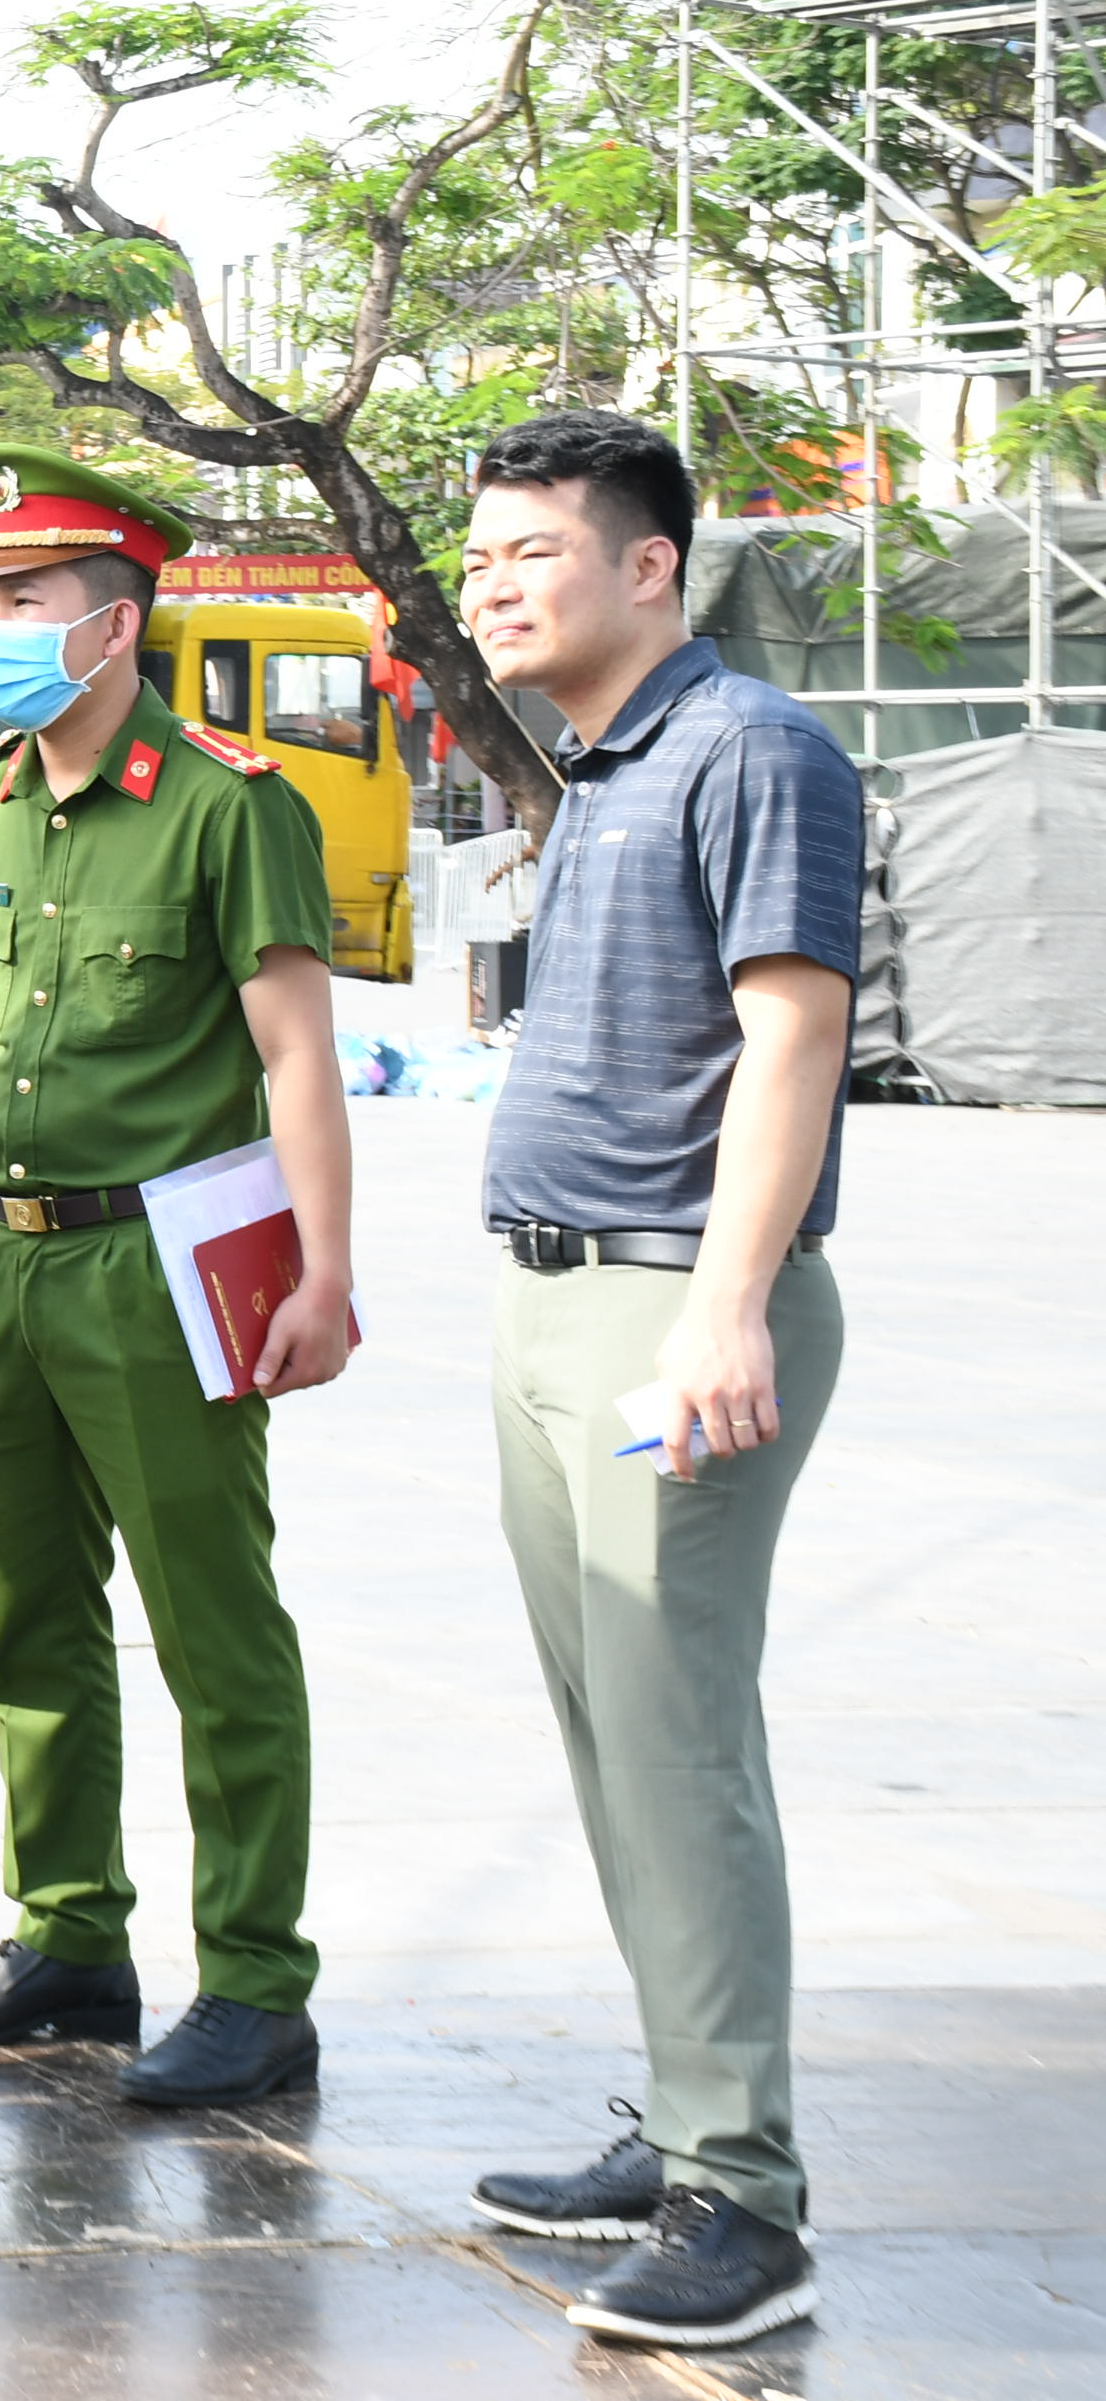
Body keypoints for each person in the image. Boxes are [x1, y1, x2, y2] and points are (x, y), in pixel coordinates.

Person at [451, 413, 858, 2351]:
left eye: (535, 550)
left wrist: (727, 1305)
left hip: (666, 1311)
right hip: (555, 1308)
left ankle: (741, 2199)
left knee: (680, 1741)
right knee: (613, 1735)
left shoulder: (752, 749)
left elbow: (793, 1044)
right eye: (481, 559)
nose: (497, 584)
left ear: (649, 567)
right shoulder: (603, 767)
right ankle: (681, 2117)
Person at [0, 447, 356, 2109]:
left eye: (26, 599)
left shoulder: (230, 802)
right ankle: (70, 1932)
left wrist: (322, 1267)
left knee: (210, 1626)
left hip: (168, 1253)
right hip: (5, 1259)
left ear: (117, 619)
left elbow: (296, 1050)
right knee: (27, 1615)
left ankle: (254, 1979)